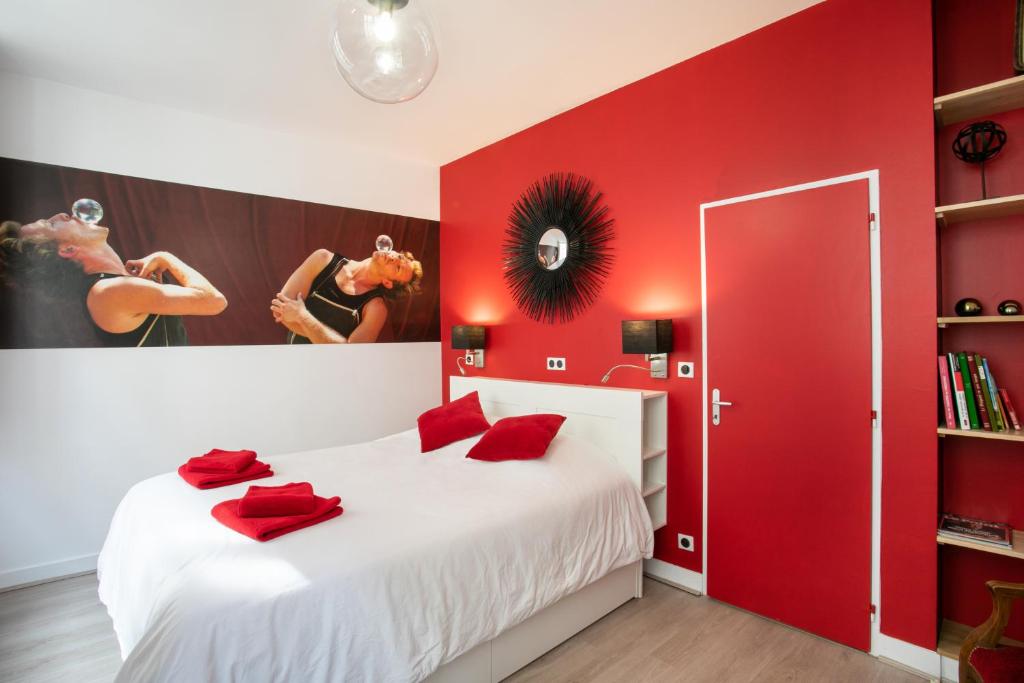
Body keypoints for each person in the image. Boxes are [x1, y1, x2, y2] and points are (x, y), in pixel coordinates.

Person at [0, 213, 227, 348]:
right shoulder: (109, 291)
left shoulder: (116, 285)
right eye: (52, 224)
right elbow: (214, 301)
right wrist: (165, 257)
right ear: (68, 249)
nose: (63, 215)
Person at [272, 247, 423, 344]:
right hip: (292, 362)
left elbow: (351, 356)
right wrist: (334, 343)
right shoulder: (323, 259)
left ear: (387, 283)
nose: (395, 258)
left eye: (397, 268)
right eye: (400, 257)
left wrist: (301, 315)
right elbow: (280, 308)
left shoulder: (376, 308)